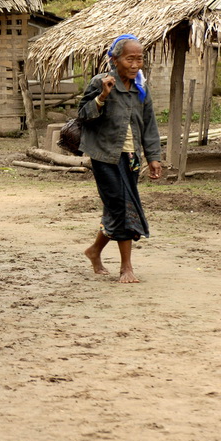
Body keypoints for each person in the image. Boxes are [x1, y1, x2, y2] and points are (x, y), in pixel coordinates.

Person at [78, 34, 162, 283]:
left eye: (140, 59)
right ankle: (126, 267)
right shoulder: (101, 82)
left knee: (118, 206)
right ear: (115, 60)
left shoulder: (141, 89)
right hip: (104, 156)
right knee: (122, 206)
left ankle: (94, 251)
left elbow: (149, 126)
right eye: (130, 59)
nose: (136, 64)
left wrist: (154, 157)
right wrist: (102, 96)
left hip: (131, 158)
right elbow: (83, 115)